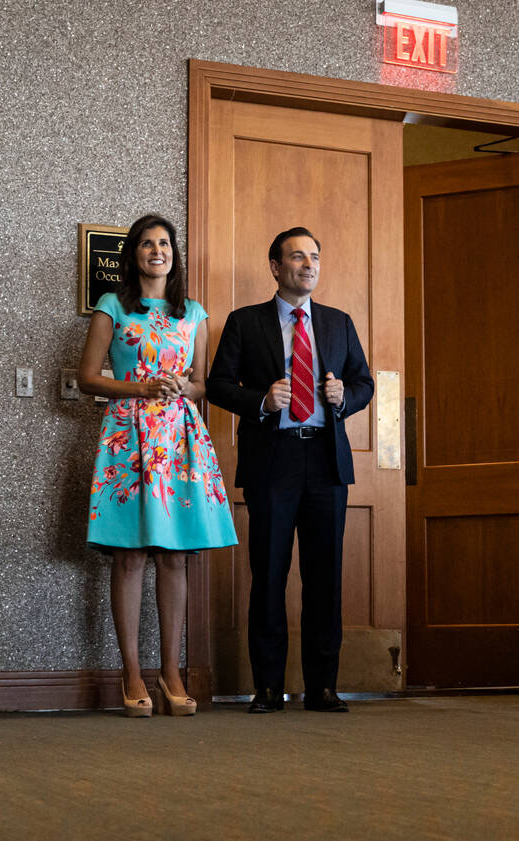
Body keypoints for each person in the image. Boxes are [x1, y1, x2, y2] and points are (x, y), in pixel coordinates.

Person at [207, 227, 373, 714]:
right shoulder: (245, 321)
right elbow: (217, 386)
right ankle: (267, 687)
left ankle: (323, 686)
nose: (308, 265)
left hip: (325, 462)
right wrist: (259, 400)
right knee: (270, 575)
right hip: (272, 461)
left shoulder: (339, 322)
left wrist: (346, 398)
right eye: (297, 257)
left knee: (325, 578)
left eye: (315, 257)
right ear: (275, 267)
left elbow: (363, 381)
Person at [78, 214, 237, 717]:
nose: (156, 251)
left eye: (164, 243)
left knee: (175, 555)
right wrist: (140, 388)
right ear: (134, 255)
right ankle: (131, 672)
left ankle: (171, 671)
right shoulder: (112, 306)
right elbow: (87, 378)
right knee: (130, 555)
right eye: (146, 244)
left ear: (174, 253)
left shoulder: (193, 312)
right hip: (128, 436)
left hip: (180, 437)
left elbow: (201, 382)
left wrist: (184, 389)